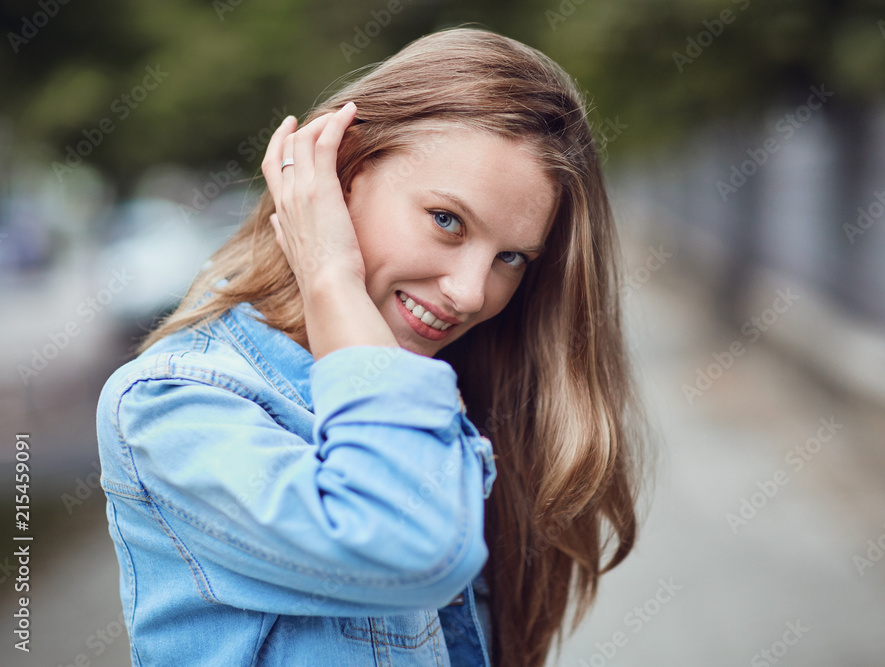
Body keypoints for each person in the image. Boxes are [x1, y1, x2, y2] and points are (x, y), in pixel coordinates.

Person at [96, 27, 650, 667]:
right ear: (345, 172)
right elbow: (405, 544)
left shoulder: (463, 389)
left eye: (511, 257)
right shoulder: (174, 404)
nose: (472, 293)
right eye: (448, 221)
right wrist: (330, 278)